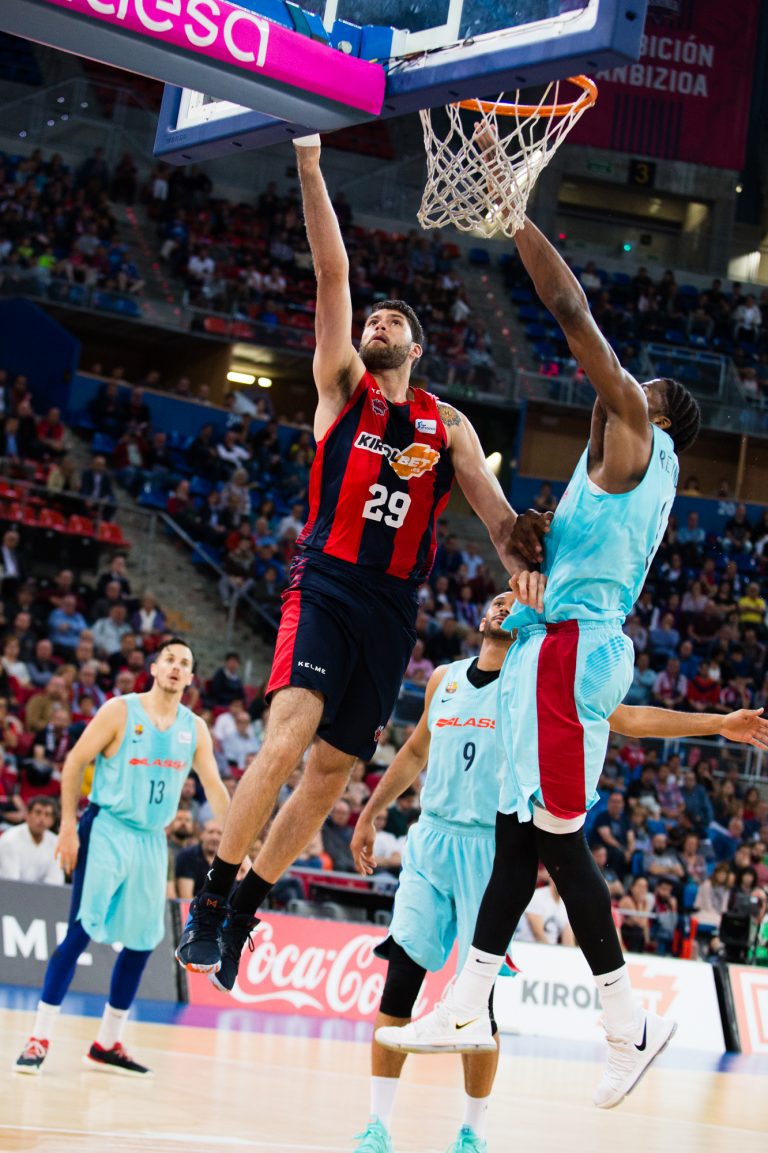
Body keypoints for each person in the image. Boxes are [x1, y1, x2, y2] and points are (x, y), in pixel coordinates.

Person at [175, 134, 544, 989]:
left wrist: (524, 557)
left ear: (418, 347)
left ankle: (245, 909)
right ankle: (210, 896)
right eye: (371, 320)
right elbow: (332, 274)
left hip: (391, 608)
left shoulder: (449, 426)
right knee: (289, 735)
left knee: (333, 773)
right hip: (327, 583)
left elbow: (494, 520)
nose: (374, 323)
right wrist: (309, 162)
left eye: (393, 322)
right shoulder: (342, 385)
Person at [374, 198, 705, 1111]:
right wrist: (530, 548)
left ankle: (626, 1022)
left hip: (573, 652)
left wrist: (516, 219)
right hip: (552, 647)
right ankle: (470, 1000)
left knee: (554, 842)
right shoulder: (599, 478)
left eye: (636, 391)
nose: (619, 392)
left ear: (656, 417)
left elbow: (571, 316)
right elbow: (530, 549)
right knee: (523, 838)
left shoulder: (640, 438)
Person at [352, 592, 768, 1153]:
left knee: (480, 1006)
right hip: (431, 841)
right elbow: (412, 752)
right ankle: (377, 1126)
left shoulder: (537, 674)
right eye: (495, 601)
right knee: (399, 982)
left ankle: (471, 1132)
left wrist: (718, 722)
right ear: (481, 618)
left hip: (493, 849)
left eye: (511, 600)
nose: (503, 606)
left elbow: (629, 719)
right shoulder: (443, 679)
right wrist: (372, 813)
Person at [14, 638, 229, 1077]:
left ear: (190, 678)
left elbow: (215, 788)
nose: (175, 667)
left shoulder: (194, 728)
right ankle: (38, 1036)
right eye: (168, 659)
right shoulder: (119, 710)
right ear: (153, 667)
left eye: (184, 663)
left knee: (145, 941)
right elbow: (74, 762)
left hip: (152, 839)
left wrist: (236, 847)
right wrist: (69, 827)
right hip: (107, 826)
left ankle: (107, 1043)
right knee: (80, 932)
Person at [0, 796, 63, 884]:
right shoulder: (10, 839)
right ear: (27, 815)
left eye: (47, 815)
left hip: (40, 895)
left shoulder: (56, 843)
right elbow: (10, 883)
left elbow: (55, 881)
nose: (42, 819)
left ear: (53, 820)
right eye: (38, 813)